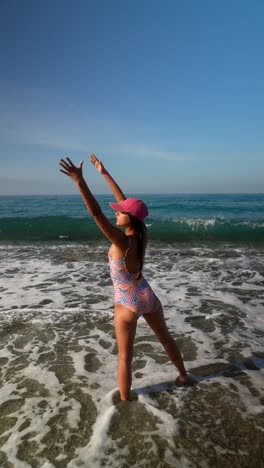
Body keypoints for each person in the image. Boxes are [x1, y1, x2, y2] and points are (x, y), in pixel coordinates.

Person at [59, 154, 188, 401]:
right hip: (146, 294)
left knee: (125, 357)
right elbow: (125, 202)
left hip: (127, 302)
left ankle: (126, 400)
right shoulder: (141, 233)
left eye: (120, 213)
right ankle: (183, 375)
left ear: (129, 218)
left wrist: (80, 182)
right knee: (166, 339)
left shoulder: (120, 241)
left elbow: (97, 213)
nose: (116, 214)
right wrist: (104, 172)